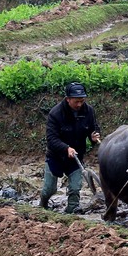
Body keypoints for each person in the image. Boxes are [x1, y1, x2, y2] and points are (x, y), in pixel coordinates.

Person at [40, 81, 101, 214]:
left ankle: (71, 212)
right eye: (76, 101)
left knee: (75, 188)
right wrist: (66, 148)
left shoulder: (89, 111)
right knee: (49, 189)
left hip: (76, 158)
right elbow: (51, 139)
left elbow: (94, 128)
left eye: (82, 101)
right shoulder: (55, 113)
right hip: (56, 157)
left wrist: (94, 137)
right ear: (68, 99)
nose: (80, 104)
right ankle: (43, 204)